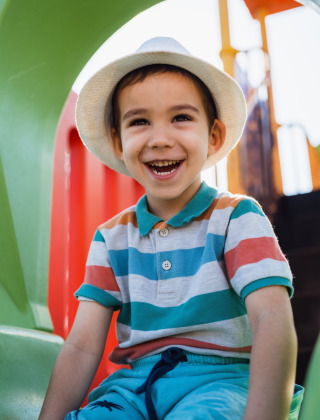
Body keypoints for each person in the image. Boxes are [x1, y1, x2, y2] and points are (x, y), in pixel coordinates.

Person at [39, 37, 304, 420]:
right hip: (135, 387)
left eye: (181, 117)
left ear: (212, 135)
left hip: (221, 381)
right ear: (118, 140)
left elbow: (271, 318)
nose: (160, 139)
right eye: (139, 121)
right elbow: (81, 346)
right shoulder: (111, 238)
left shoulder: (236, 218)